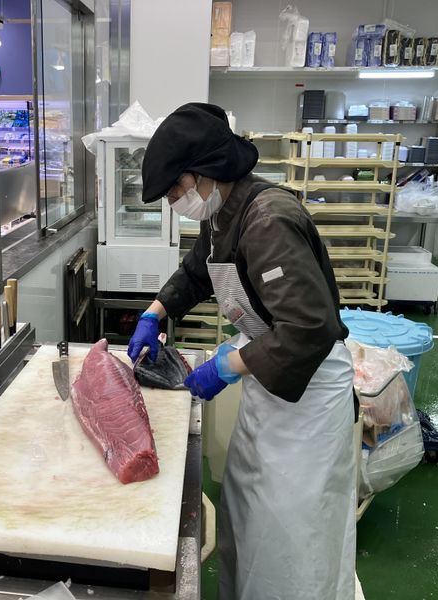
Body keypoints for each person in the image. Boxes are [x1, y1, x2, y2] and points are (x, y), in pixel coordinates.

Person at [127, 103, 356, 600]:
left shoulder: (269, 219)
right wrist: (154, 313)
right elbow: (196, 271)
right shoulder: (223, 212)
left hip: (309, 390)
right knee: (249, 511)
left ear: (203, 172)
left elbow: (308, 328)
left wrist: (226, 366)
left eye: (175, 191)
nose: (175, 202)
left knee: (291, 535)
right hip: (267, 377)